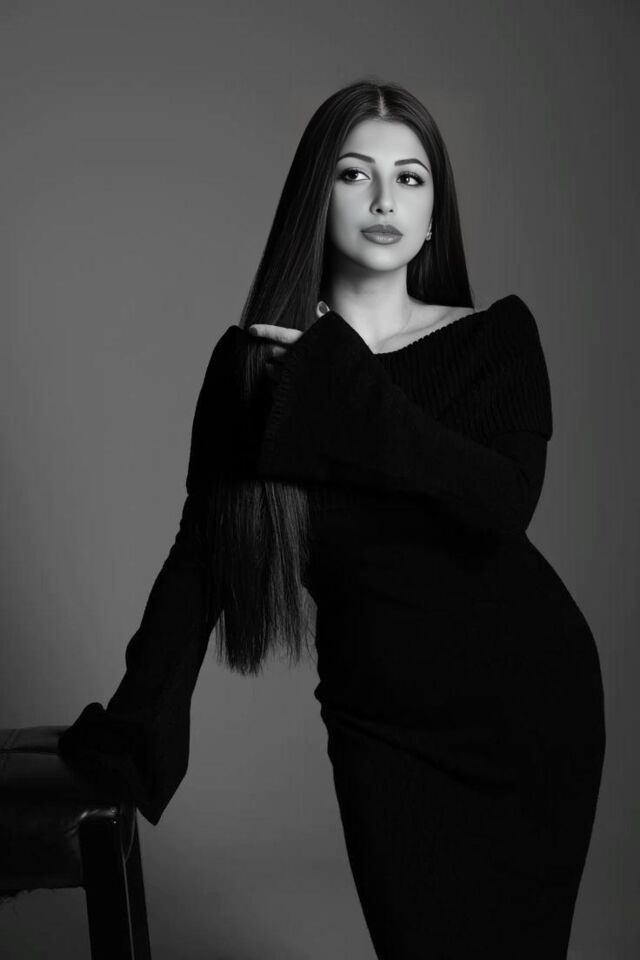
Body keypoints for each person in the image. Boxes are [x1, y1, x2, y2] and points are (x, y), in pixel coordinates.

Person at [58, 79, 606, 958]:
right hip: (381, 725)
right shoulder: (254, 368)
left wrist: (345, 387)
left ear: (434, 215)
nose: (385, 199)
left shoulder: (497, 339)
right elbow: (200, 556)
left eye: (411, 178)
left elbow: (502, 503)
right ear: (318, 196)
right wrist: (134, 730)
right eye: (355, 174)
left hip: (531, 709)